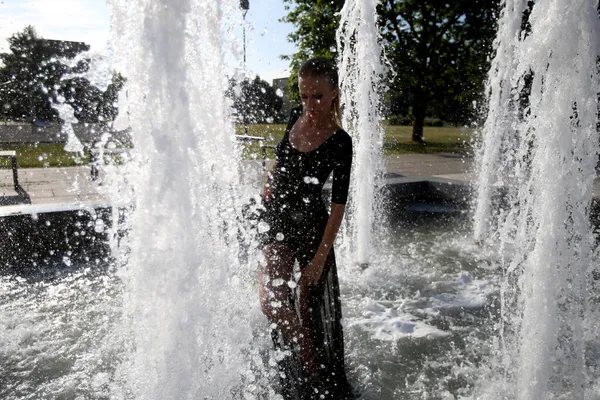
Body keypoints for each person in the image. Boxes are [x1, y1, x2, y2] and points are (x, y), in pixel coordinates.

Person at [258, 58, 354, 399]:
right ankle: (307, 358)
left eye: (317, 96)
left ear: (333, 95)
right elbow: (280, 158)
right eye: (303, 96)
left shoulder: (341, 141)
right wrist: (269, 180)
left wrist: (319, 258)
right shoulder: (292, 120)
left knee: (309, 312)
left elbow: (338, 205)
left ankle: (315, 377)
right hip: (276, 219)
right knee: (272, 301)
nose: (309, 104)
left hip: (312, 227)